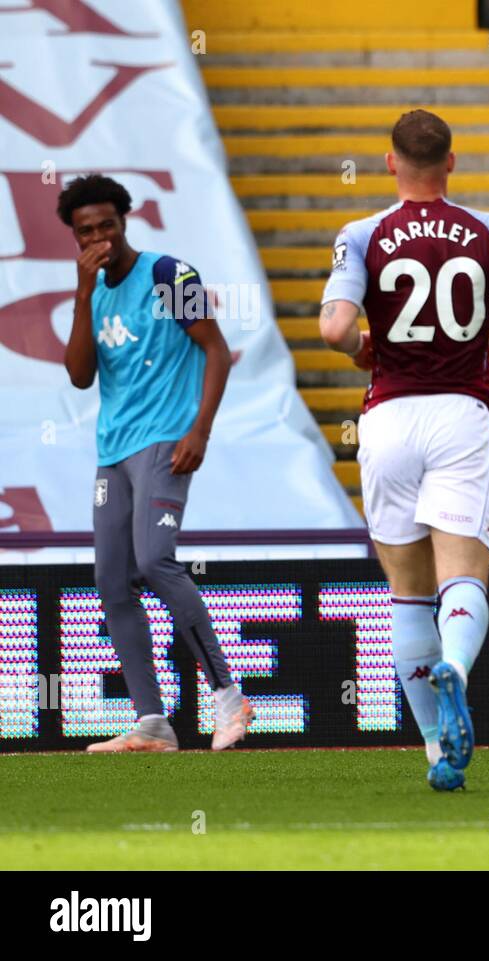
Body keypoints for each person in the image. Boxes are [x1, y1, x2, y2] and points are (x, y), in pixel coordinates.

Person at [319, 109, 489, 791]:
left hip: (387, 418)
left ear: (390, 162)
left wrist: (365, 343)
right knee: (463, 579)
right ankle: (457, 661)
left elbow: (334, 328)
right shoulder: (488, 230)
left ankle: (436, 751)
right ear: (451, 162)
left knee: (406, 595)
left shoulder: (361, 234)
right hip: (460, 414)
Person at [59, 173, 251, 752]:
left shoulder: (169, 275)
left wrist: (200, 430)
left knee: (154, 560)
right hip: (112, 451)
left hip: (167, 439)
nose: (99, 237)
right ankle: (153, 723)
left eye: (107, 225)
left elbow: (216, 348)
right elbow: (78, 375)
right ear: (75, 235)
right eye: (86, 230)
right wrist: (82, 294)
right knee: (111, 580)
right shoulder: (92, 291)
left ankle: (226, 694)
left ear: (124, 221)